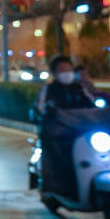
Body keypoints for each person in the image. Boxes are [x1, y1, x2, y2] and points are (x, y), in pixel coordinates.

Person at [36, 55, 97, 198]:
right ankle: (60, 188)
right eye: (62, 70)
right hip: (61, 134)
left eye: (68, 69)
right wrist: (49, 110)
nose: (66, 73)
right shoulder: (49, 90)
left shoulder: (79, 88)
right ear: (55, 73)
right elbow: (40, 109)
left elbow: (92, 104)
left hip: (82, 131)